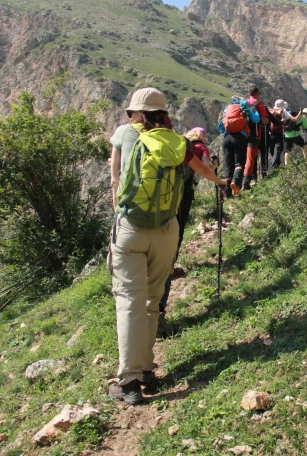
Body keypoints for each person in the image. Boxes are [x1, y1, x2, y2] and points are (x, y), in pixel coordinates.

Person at [108, 88, 229, 405]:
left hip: (131, 229)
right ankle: (147, 369)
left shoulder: (123, 134)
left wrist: (120, 216)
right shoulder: (178, 142)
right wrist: (222, 184)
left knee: (129, 302)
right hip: (167, 230)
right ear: (163, 114)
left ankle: (130, 381)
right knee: (151, 300)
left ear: (137, 114)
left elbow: (114, 180)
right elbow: (203, 170)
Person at [157, 127, 218, 338]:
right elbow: (206, 168)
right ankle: (168, 268)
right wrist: (219, 176)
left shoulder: (172, 145)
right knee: (177, 233)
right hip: (184, 192)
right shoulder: (194, 149)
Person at [221, 96, 260, 197]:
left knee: (229, 165)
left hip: (226, 138)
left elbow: (221, 123)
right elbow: (256, 119)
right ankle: (236, 183)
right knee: (239, 164)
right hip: (240, 137)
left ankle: (227, 193)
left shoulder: (227, 108)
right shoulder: (244, 106)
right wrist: (256, 112)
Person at [243, 86, 269, 190]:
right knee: (252, 157)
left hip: (242, 134)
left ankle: (250, 179)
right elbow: (263, 120)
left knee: (246, 157)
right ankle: (248, 182)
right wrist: (267, 121)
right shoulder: (259, 104)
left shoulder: (243, 103)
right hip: (255, 134)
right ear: (257, 94)